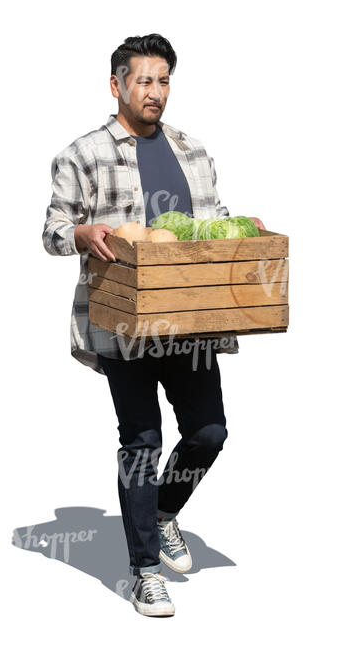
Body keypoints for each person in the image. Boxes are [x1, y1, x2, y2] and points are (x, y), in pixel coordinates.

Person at [42, 33, 265, 617]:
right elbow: (53, 230)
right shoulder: (83, 153)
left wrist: (243, 228)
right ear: (116, 85)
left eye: (163, 80)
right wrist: (83, 234)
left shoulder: (192, 150)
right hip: (123, 322)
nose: (155, 92)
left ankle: (162, 512)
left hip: (188, 322)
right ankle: (143, 570)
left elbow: (209, 223)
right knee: (141, 441)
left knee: (209, 433)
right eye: (143, 80)